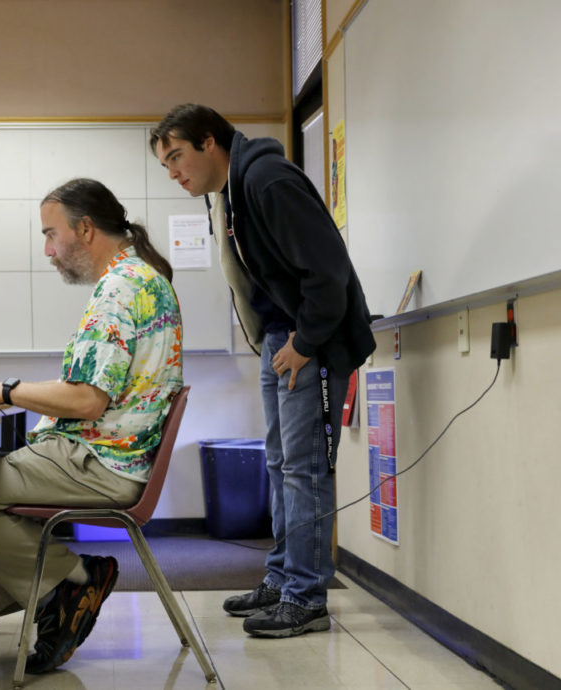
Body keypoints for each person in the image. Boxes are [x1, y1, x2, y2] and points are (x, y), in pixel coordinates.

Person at [0, 177, 183, 673]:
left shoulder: (118, 291)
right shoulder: (141, 278)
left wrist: (5, 391)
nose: (48, 250)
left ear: (86, 229)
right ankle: (57, 600)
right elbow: (95, 387)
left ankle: (73, 581)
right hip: (115, 454)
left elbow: (87, 400)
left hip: (101, 462)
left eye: (52, 234)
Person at [150, 104, 375, 638]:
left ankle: (305, 596)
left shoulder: (267, 180)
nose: (175, 172)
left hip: (310, 342)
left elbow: (330, 270)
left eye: (178, 157)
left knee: (304, 469)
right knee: (279, 464)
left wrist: (304, 341)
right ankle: (281, 579)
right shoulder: (229, 191)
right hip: (284, 338)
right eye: (166, 166)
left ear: (210, 142)